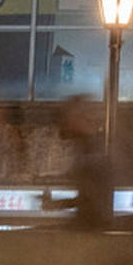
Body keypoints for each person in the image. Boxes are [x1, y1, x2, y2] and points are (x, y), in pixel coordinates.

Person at [42, 96, 115, 230]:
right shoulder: (89, 147)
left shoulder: (92, 150)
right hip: (91, 227)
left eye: (68, 118)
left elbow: (92, 201)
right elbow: (89, 199)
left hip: (91, 229)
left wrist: (58, 205)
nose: (65, 124)